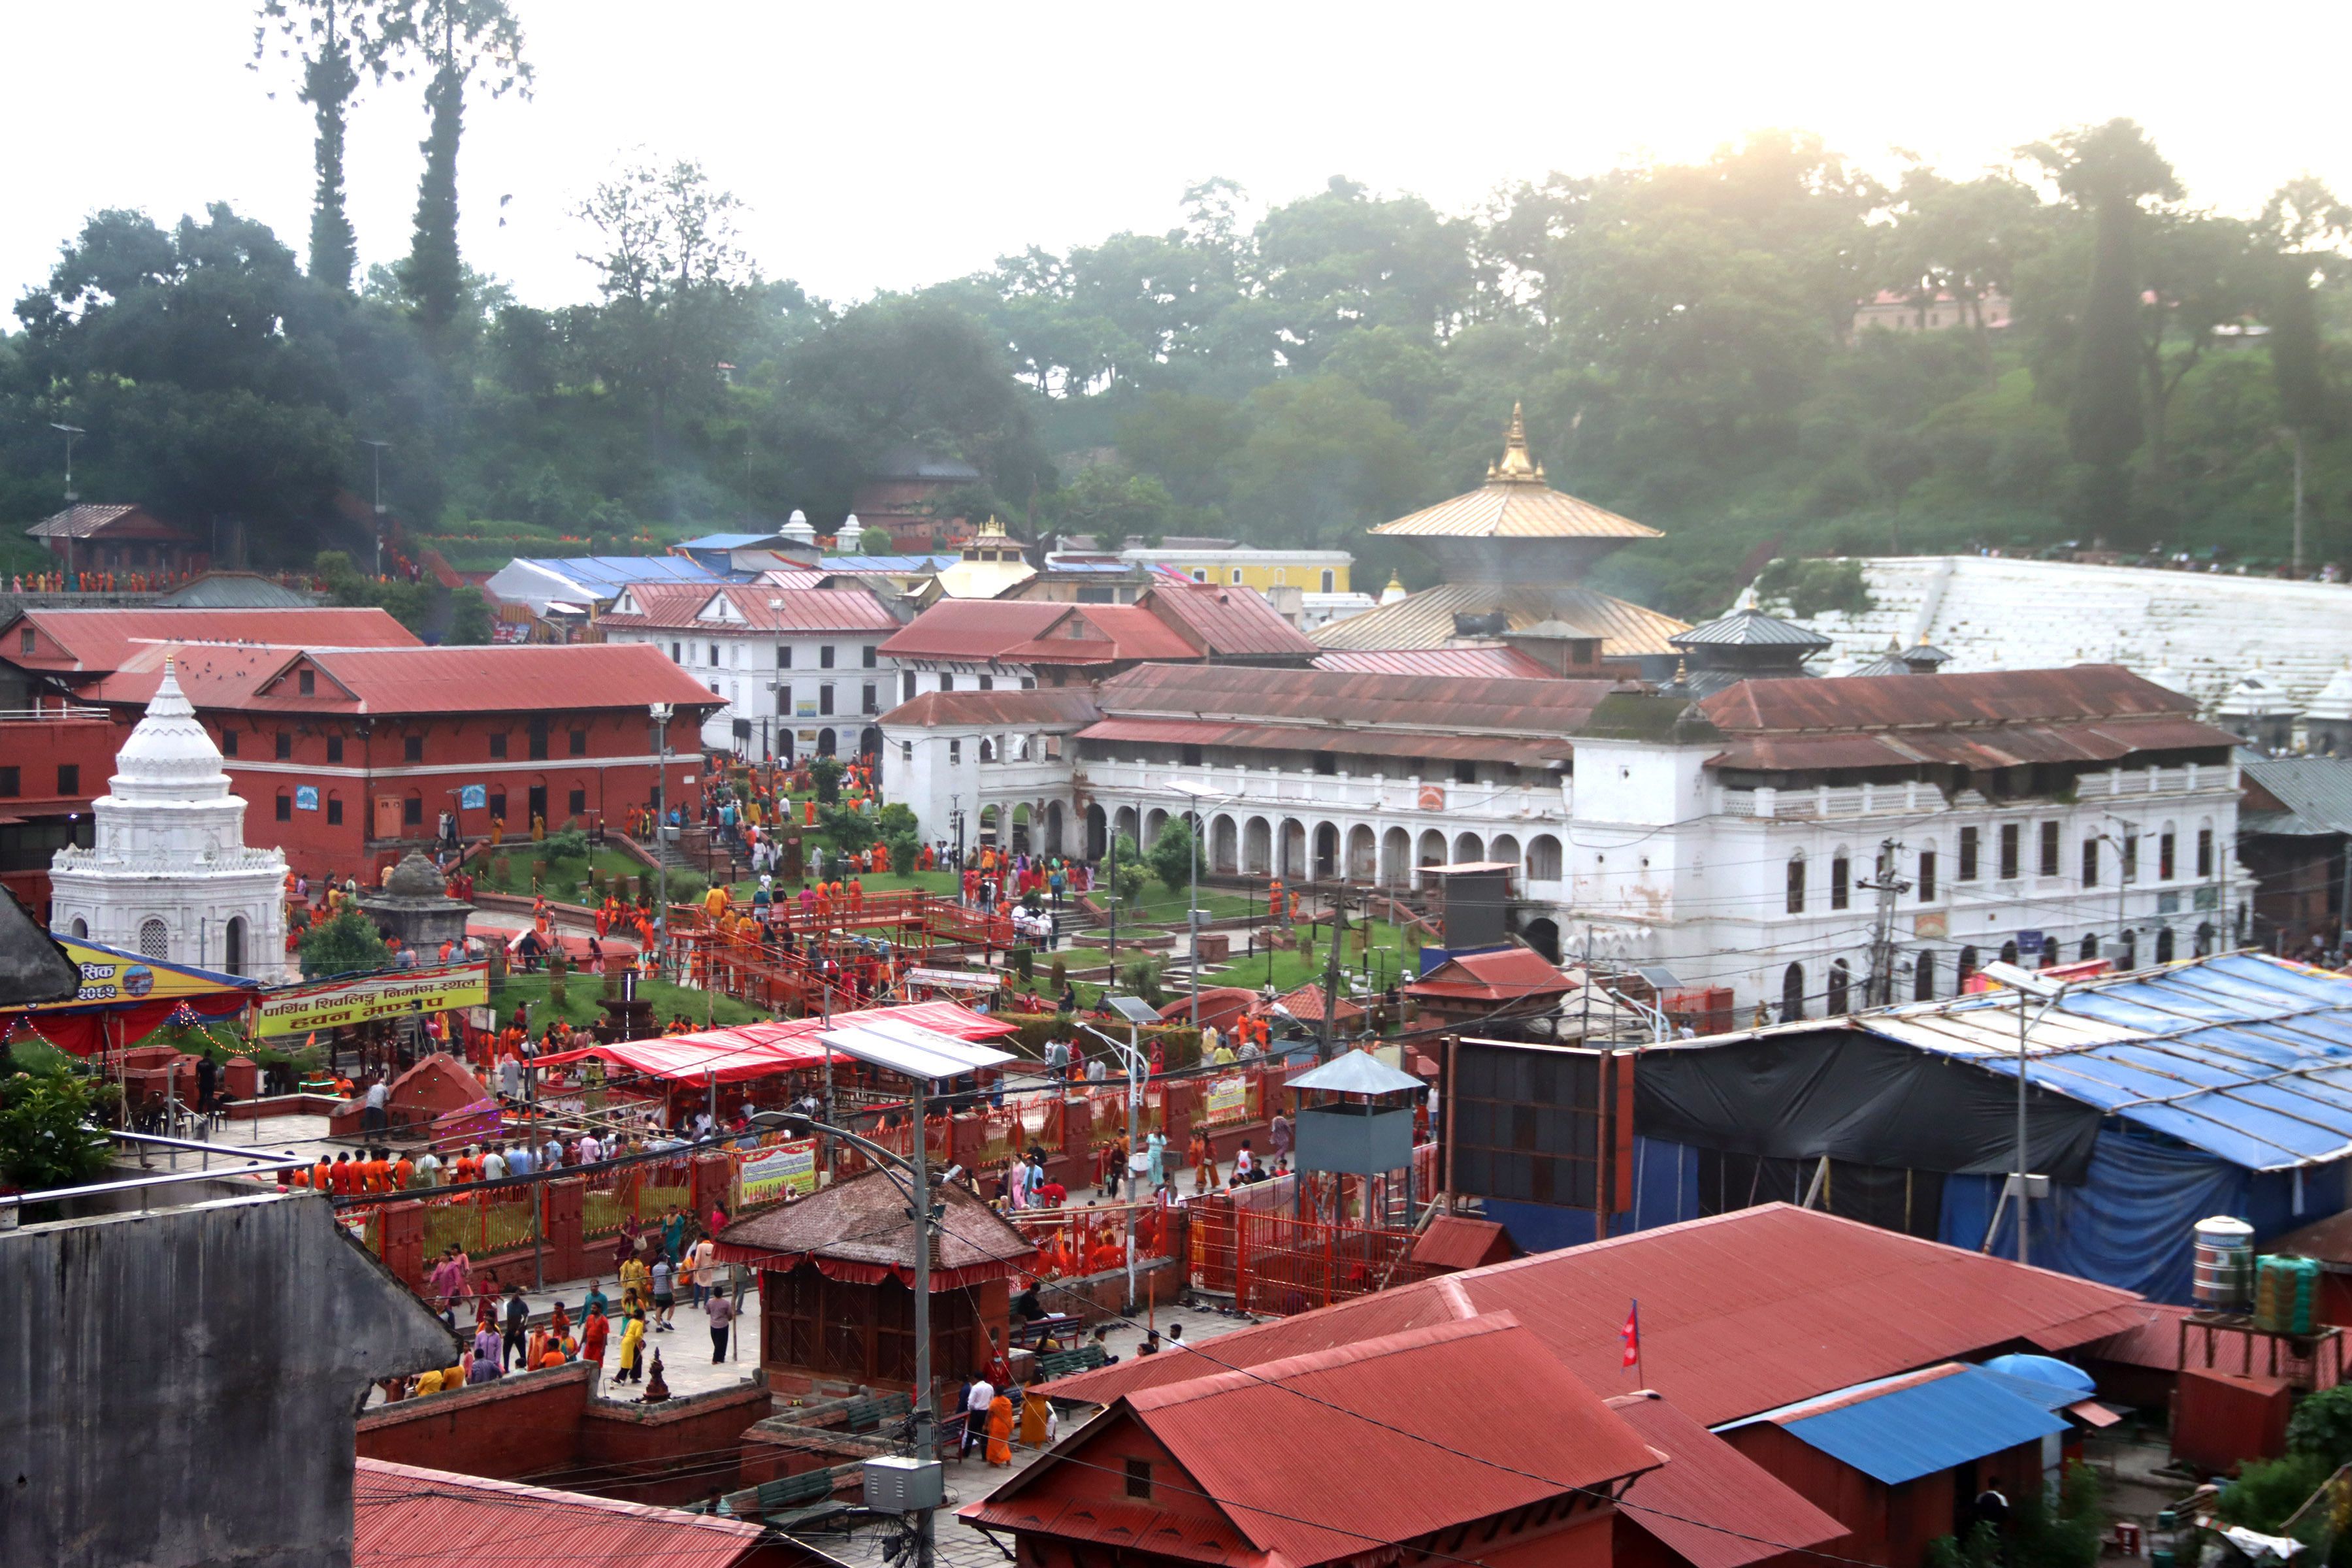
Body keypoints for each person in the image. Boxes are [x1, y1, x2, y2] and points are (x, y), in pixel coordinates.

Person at [964, 1375, 995, 1458]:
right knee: (984, 1434)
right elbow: (992, 1400)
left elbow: (970, 1402)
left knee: (971, 1433)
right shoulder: (990, 1387)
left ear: (976, 1379)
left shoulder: (975, 1388)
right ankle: (985, 1456)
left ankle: (966, 1453)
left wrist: (971, 1409)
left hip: (976, 1412)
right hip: (986, 1412)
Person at [615, 1309, 647, 1384]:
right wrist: (642, 1341)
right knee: (628, 1361)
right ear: (642, 1316)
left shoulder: (632, 1321)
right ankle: (618, 1377)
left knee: (636, 1359)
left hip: (626, 1341)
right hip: (631, 1343)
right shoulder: (640, 1324)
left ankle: (635, 1377)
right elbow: (637, 1336)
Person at [986, 1387, 1015, 1466]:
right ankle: (1008, 1460)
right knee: (1004, 1443)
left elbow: (988, 1415)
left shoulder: (994, 1403)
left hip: (997, 1426)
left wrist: (985, 1425)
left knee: (994, 1444)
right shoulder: (1008, 1401)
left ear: (996, 1393)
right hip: (1006, 1426)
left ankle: (995, 1461)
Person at [707, 1291, 735, 1364]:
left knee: (717, 1342)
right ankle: (715, 1359)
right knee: (722, 1342)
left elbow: (707, 1311)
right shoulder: (726, 1303)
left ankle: (721, 1357)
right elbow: (729, 1313)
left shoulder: (710, 1302)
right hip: (723, 1325)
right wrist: (730, 1318)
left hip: (713, 1324)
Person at [581, 1302, 610, 1369]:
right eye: (592, 1308)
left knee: (597, 1365)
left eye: (594, 1308)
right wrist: (581, 1344)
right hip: (589, 1345)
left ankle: (596, 1378)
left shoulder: (604, 1320)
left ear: (599, 1309)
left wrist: (603, 1349)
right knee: (586, 1363)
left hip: (598, 1347)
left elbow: (605, 1335)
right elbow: (585, 1332)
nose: (592, 1309)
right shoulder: (589, 1318)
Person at [650, 1256, 676, 1330]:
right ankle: (667, 1322)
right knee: (672, 1304)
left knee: (659, 1307)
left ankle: (658, 1326)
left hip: (657, 1291)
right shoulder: (667, 1268)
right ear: (665, 1260)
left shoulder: (654, 1268)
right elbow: (670, 1281)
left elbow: (653, 1279)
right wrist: (673, 1292)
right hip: (666, 1291)